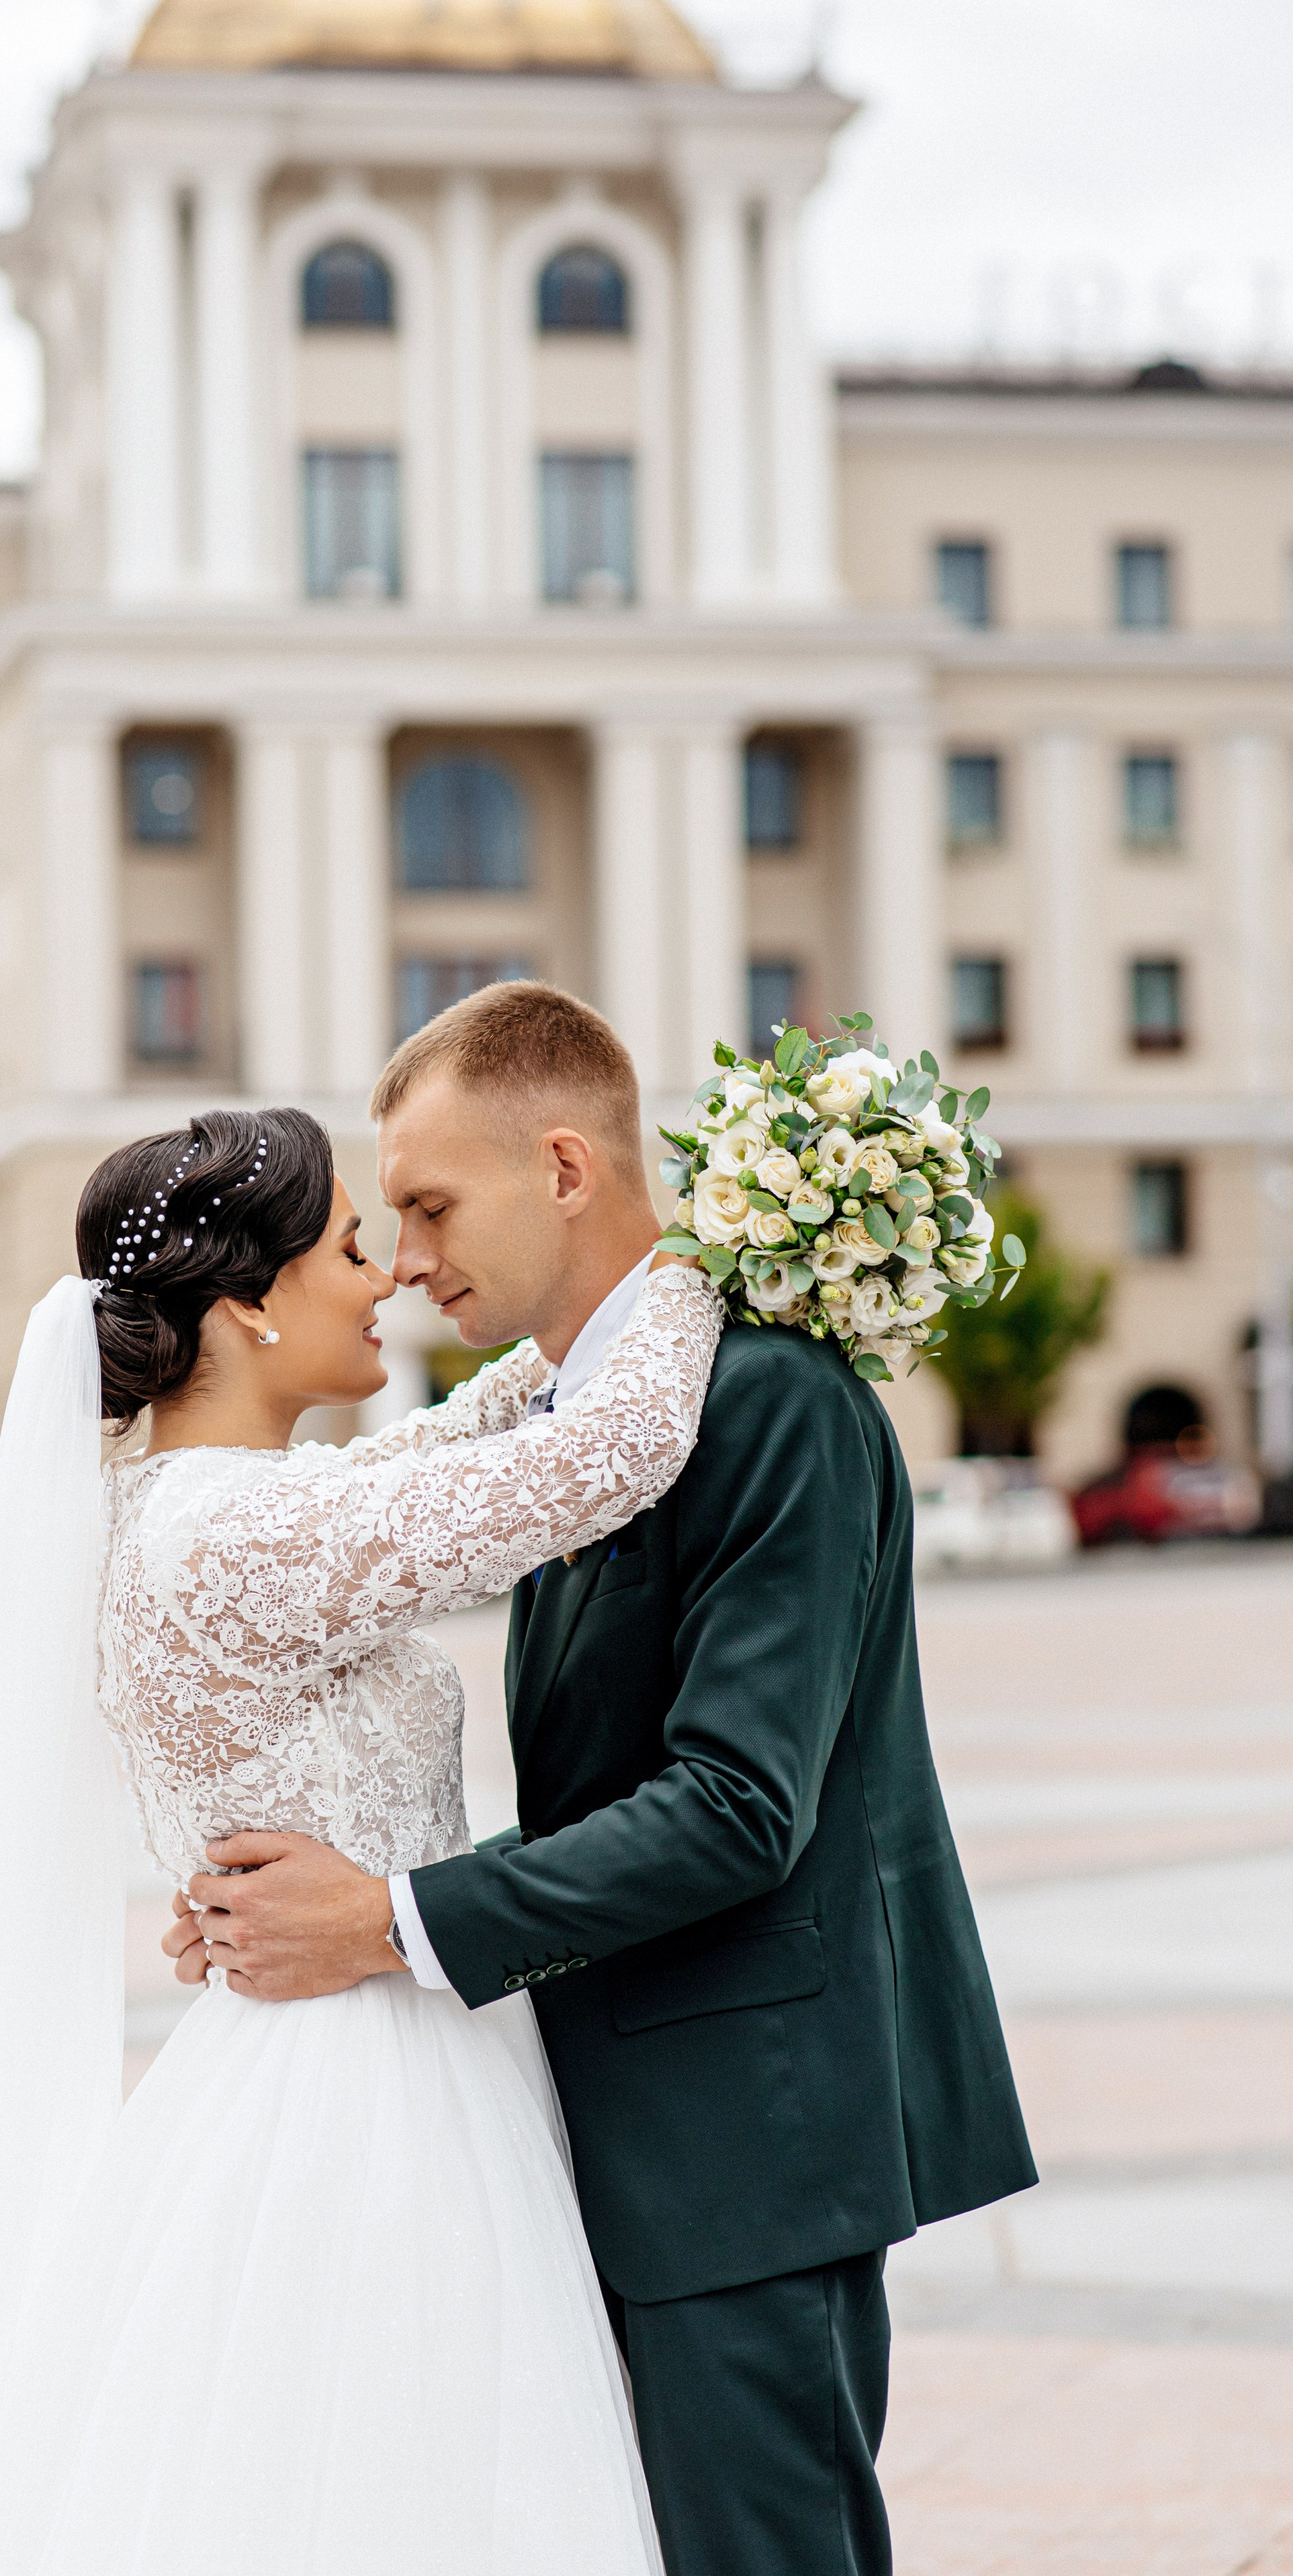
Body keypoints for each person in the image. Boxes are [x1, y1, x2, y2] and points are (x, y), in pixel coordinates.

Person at [165, 982, 1038, 2576]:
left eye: (427, 1205)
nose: (408, 1260)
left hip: (743, 2142)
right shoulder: (580, 1435)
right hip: (621, 2121)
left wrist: (386, 1919)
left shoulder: (765, 1400)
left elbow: (732, 1807)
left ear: (562, 1168)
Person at [0, 1099, 723, 2575]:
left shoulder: (209, 1505)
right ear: (247, 1303)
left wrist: (561, 1331)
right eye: (348, 1247)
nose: (383, 1275)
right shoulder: (235, 1536)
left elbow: (451, 1442)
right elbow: (608, 1458)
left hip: (347, 2036)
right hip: (367, 2085)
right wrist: (715, 1254)